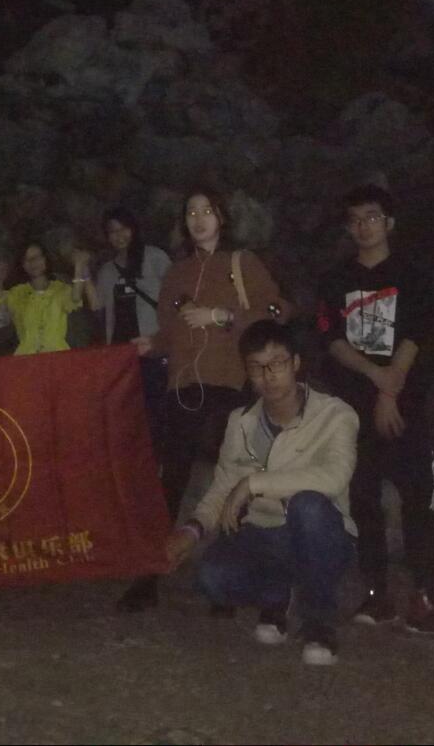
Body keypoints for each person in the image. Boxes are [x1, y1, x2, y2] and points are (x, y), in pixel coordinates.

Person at [317, 183, 434, 639]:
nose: (363, 227)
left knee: (417, 499)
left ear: (389, 222)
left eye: (372, 217)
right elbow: (332, 340)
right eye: (355, 220)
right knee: (364, 499)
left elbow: (416, 332)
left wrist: (390, 390)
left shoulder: (412, 275)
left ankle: (427, 597)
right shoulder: (336, 280)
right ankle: (376, 592)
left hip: (405, 405)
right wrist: (376, 378)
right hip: (354, 407)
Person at [118, 187, 292, 611]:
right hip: (182, 387)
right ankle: (150, 574)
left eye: (207, 211)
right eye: (191, 212)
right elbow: (170, 332)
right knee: (170, 481)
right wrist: (152, 344)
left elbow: (278, 311)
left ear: (222, 218)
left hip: (230, 385)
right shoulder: (177, 273)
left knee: (231, 477)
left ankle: (227, 578)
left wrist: (222, 316)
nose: (198, 219)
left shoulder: (241, 263)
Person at [165, 320, 358, 666]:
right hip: (264, 534)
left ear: (295, 363)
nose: (268, 376)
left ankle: (318, 621)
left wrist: (254, 484)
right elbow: (223, 486)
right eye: (257, 368)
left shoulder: (335, 415)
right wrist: (191, 530)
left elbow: (334, 477)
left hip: (322, 534)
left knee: (308, 505)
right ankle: (278, 596)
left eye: (277, 364)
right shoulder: (241, 422)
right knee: (212, 578)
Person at [92, 207, 171, 443]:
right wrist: (82, 273)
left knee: (157, 409)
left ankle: (161, 457)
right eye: (112, 231)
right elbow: (98, 307)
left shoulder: (155, 257)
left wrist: (166, 337)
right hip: (121, 354)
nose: (119, 235)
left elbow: (175, 296)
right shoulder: (107, 271)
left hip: (152, 346)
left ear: (133, 228)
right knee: (128, 414)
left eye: (123, 228)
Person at [0, 241, 98, 355]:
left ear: (46, 259)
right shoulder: (17, 293)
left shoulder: (60, 288)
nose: (33, 262)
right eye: (27, 259)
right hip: (26, 357)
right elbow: (1, 311)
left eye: (37, 257)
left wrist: (78, 266)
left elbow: (75, 298)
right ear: (22, 265)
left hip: (57, 356)